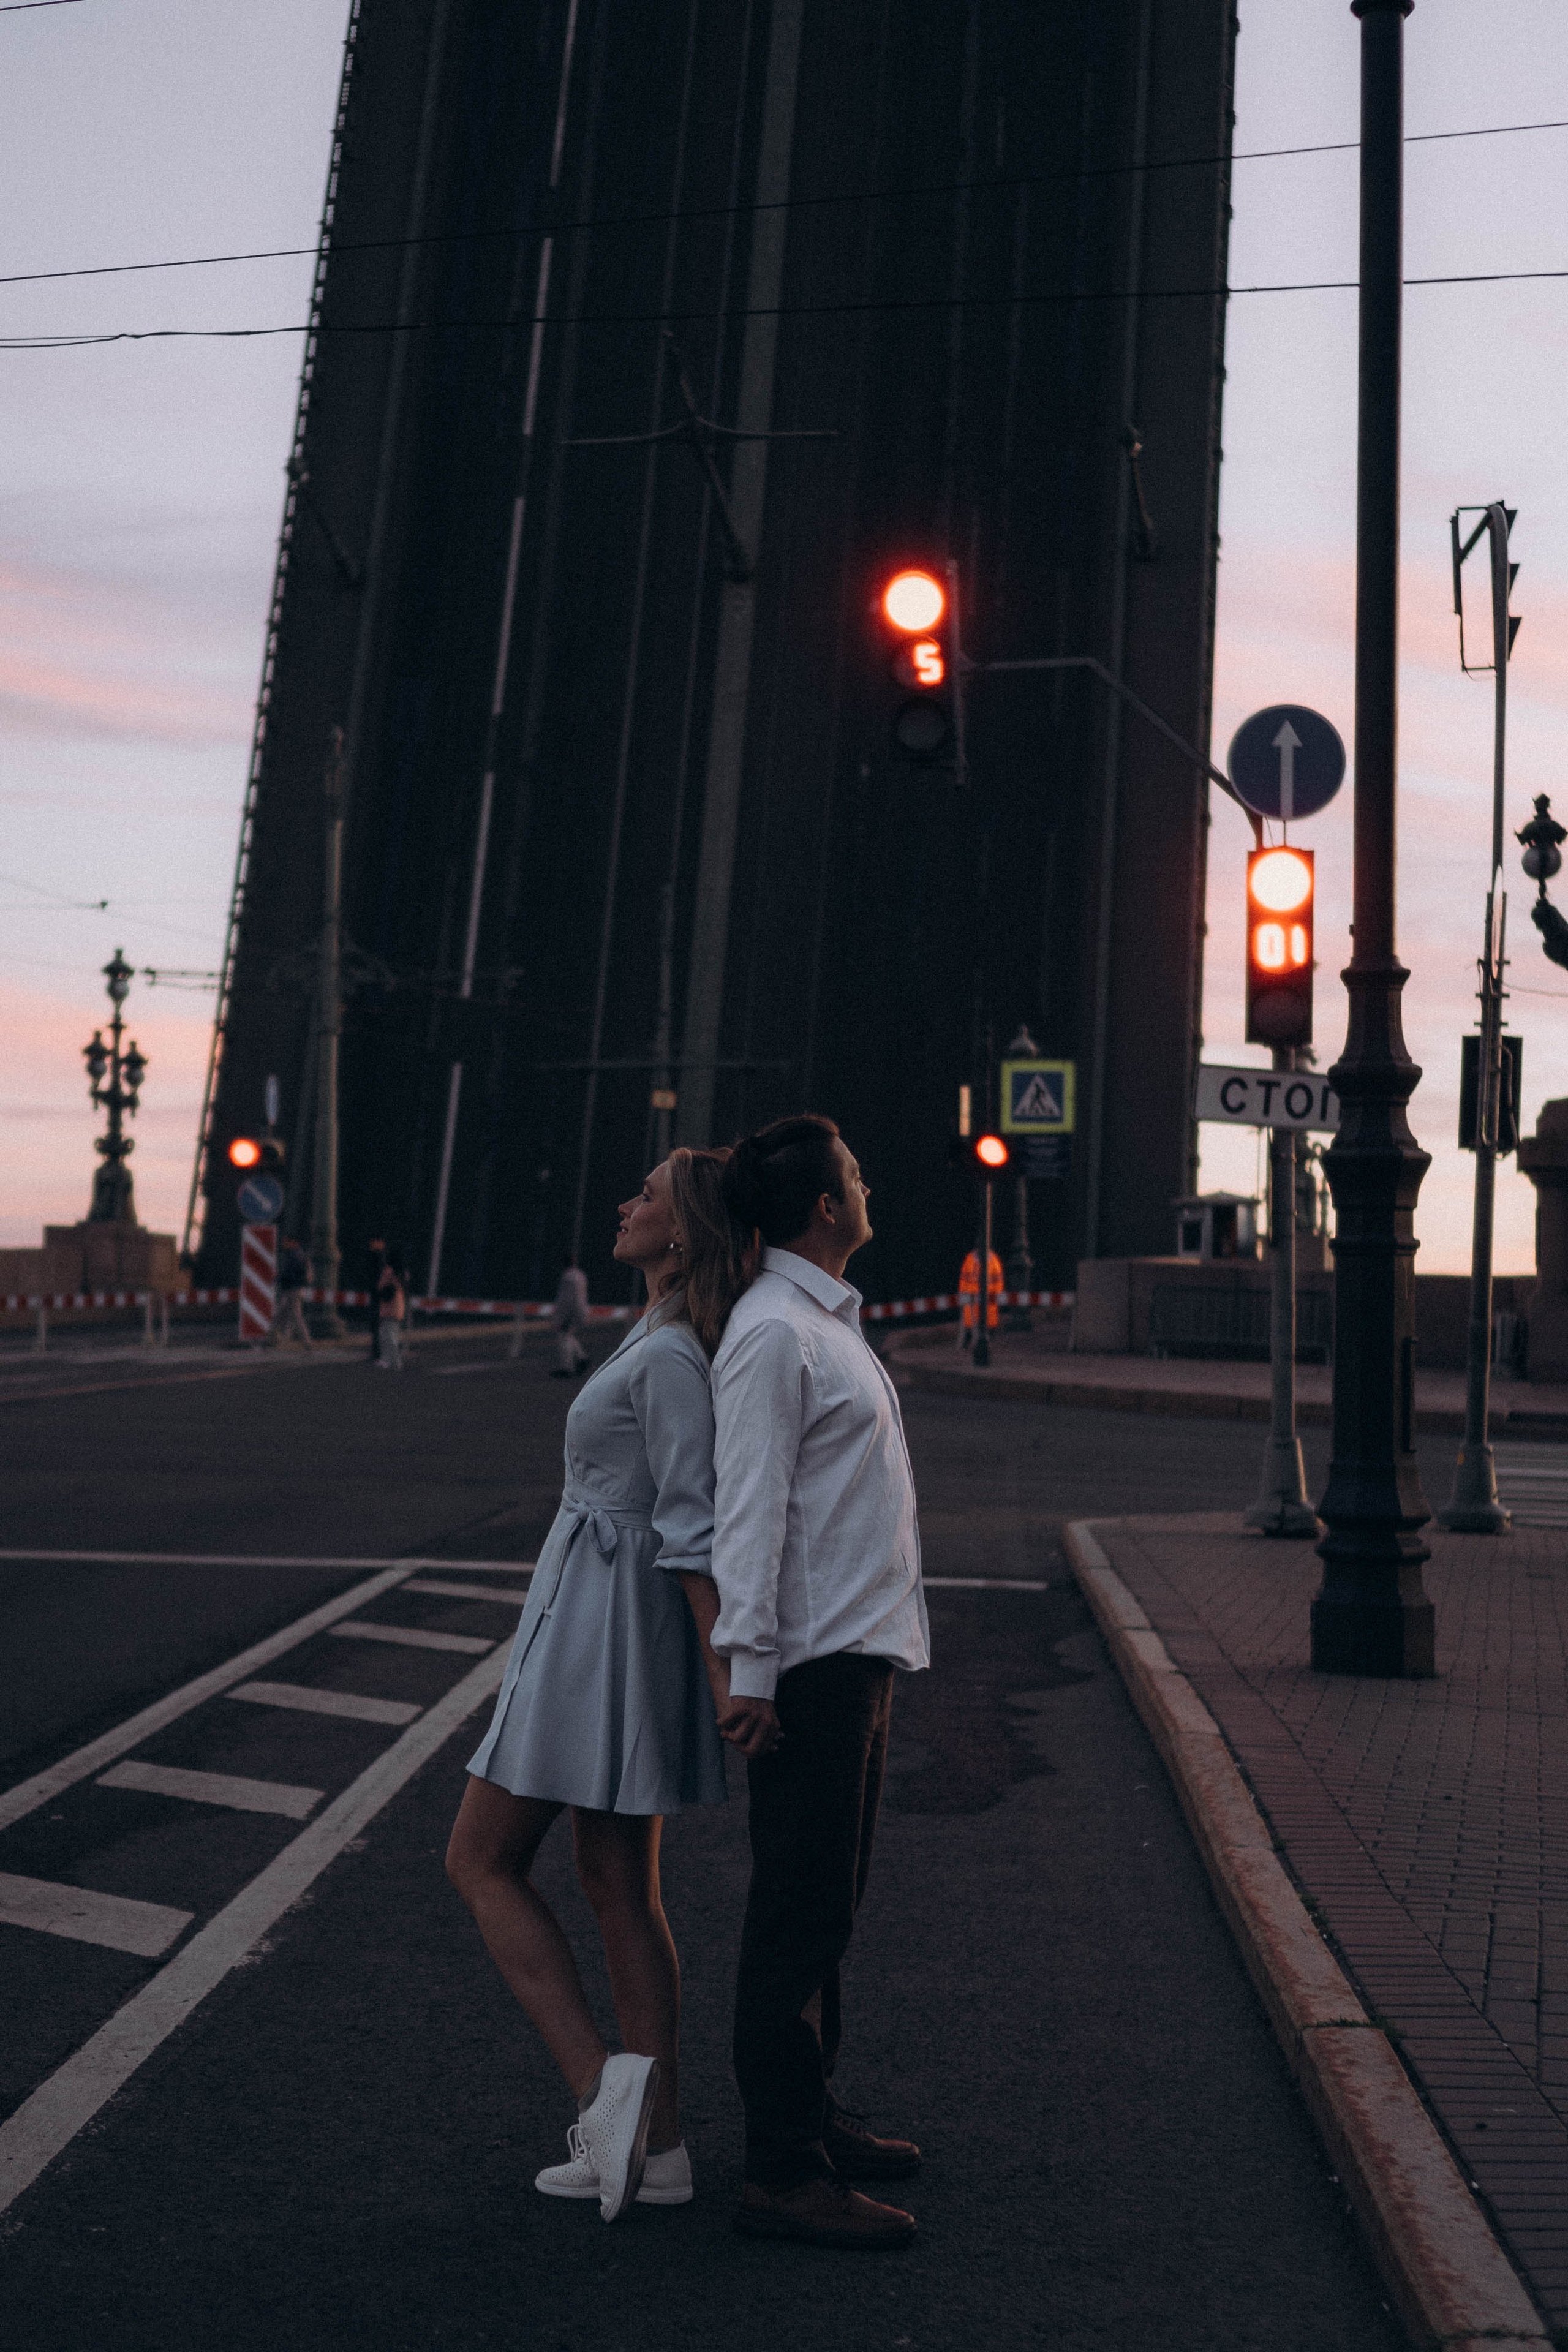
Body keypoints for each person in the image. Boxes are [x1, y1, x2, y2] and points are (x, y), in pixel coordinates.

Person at [446, 1148, 750, 2222]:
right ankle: (659, 2155)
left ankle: (601, 2091)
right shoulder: (656, 1332)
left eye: (648, 1196)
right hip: (601, 1612)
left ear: (685, 1230)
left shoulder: (668, 1358)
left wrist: (723, 1669)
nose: (626, 1204)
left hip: (603, 1629)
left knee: (480, 1859)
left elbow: (692, 1520)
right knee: (619, 1883)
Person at [711, 1114, 929, 2250]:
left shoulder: (820, 1323)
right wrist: (748, 1668)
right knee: (796, 1914)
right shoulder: (773, 1334)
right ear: (826, 1208)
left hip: (856, 1651)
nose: (868, 1181)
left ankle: (815, 2112)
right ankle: (781, 2168)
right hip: (808, 1666)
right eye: (855, 1173)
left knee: (828, 1906)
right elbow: (749, 1508)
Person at [551, 1254, 590, 1379]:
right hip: (582, 1309)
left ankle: (567, 1368)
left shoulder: (567, 1277)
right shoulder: (581, 1275)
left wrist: (563, 1317)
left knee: (564, 1338)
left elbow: (567, 1299)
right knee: (569, 1336)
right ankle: (582, 1358)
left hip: (572, 1312)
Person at [269, 1236, 312, 1348]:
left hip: (292, 1290)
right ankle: (271, 1338)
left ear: (292, 1242)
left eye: (286, 1241)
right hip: (295, 1289)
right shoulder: (300, 1254)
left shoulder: (293, 1255)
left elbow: (288, 1272)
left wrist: (277, 1280)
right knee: (282, 1314)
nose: (284, 1244)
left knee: (294, 1315)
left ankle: (306, 1342)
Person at [375, 1252, 407, 1371]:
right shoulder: (401, 1274)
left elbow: (380, 1286)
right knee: (392, 1335)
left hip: (389, 1308)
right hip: (398, 1307)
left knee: (387, 1336)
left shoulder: (388, 1272)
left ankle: (391, 1361)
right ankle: (392, 1361)